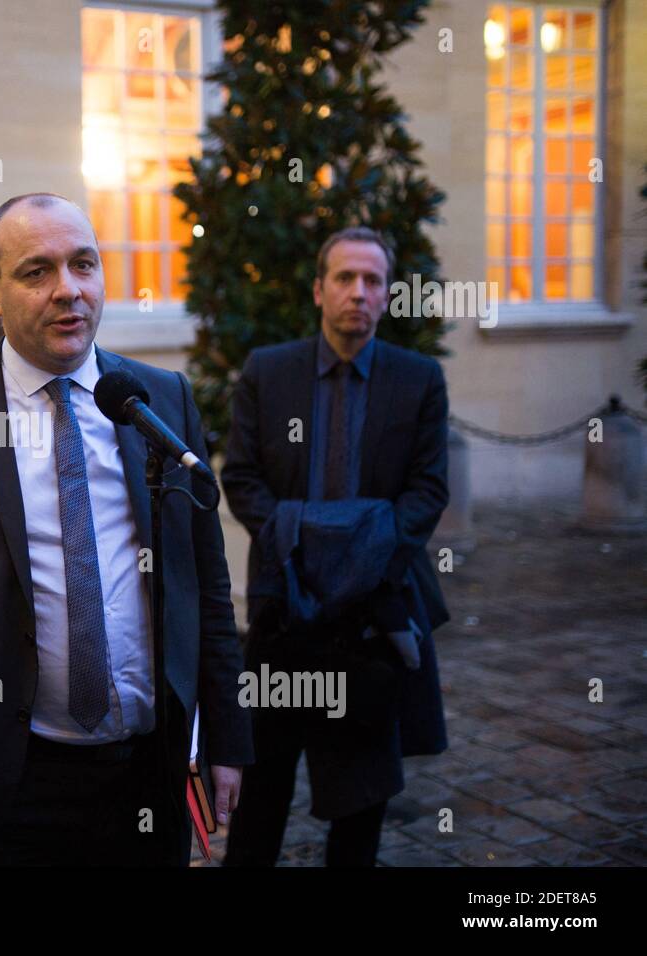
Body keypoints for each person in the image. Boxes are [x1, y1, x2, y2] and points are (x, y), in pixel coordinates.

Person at [0, 193, 253, 865]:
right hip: (8, 787)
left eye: (84, 264)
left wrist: (225, 737)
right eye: (37, 271)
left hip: (148, 777)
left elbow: (206, 593)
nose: (68, 291)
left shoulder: (162, 402)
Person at [220, 226, 450, 867]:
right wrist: (304, 558)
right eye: (345, 278)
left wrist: (352, 568)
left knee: (360, 800)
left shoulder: (418, 379)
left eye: (373, 281)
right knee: (260, 789)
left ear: (387, 294)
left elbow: (427, 494)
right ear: (320, 289)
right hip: (283, 615)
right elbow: (241, 478)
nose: (359, 292)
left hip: (370, 620)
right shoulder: (270, 371)